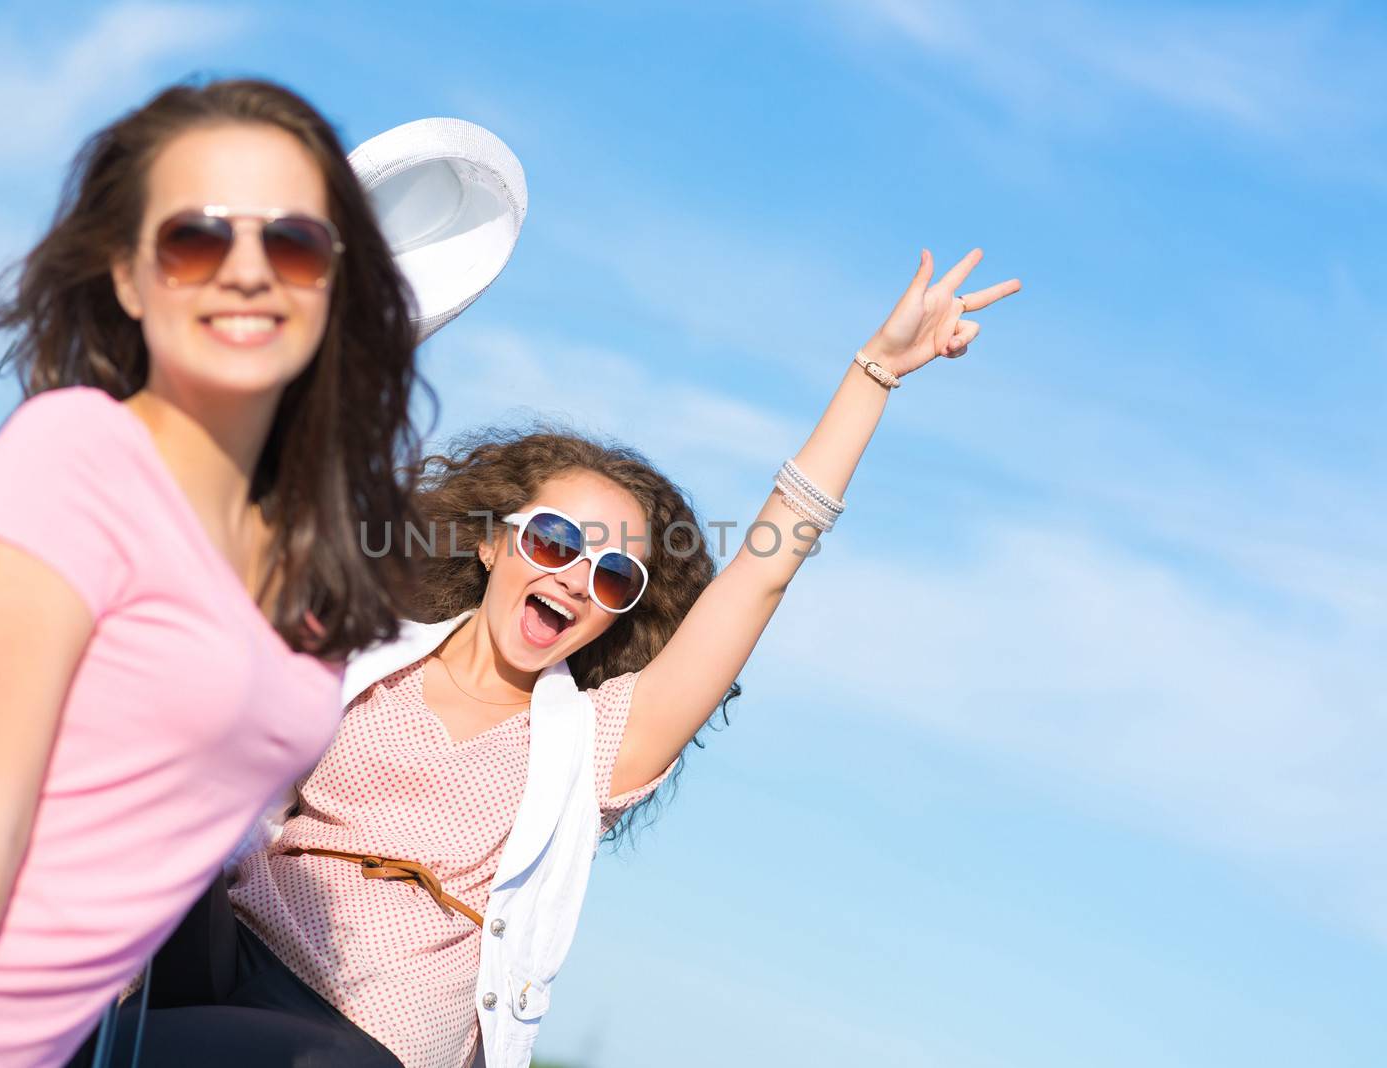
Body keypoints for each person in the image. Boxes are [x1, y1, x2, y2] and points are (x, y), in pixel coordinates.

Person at [92, 248, 1022, 1068]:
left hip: (352, 1044)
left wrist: (875, 374)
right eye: (552, 543)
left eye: (613, 573)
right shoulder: (368, 646)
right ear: (495, 545)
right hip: (223, 945)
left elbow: (763, 573)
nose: (576, 578)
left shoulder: (593, 745)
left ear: (615, 616)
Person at [0, 77, 422, 1068]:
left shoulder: (307, 554)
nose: (247, 272)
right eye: (196, 238)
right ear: (128, 277)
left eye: (291, 243)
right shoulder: (80, 457)